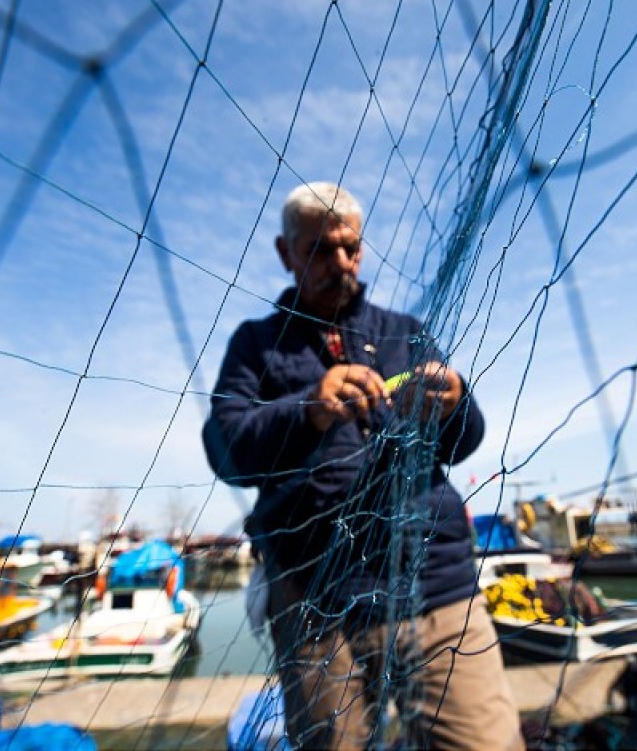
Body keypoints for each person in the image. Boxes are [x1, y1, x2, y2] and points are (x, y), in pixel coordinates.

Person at [203, 182, 522, 750]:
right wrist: (308, 410)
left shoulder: (406, 332)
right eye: (320, 250)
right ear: (286, 253)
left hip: (438, 585)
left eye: (350, 248)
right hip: (316, 607)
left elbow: (462, 443)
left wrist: (454, 405)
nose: (340, 262)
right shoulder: (255, 345)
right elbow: (225, 449)